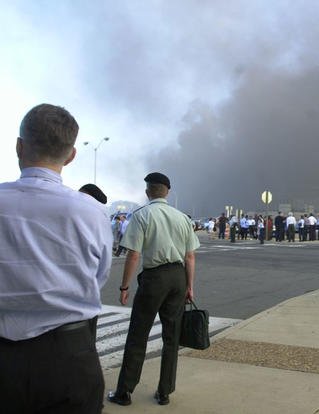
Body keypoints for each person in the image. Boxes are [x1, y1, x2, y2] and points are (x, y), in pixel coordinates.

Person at [0, 104, 113, 413]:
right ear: (72, 155)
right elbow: (98, 276)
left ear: (19, 146)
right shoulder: (91, 213)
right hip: (68, 359)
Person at [108, 172, 200, 407]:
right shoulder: (182, 218)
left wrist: (124, 286)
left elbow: (134, 254)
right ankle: (165, 391)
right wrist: (189, 286)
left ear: (148, 191)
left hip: (154, 278)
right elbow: (190, 256)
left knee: (138, 334)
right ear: (167, 192)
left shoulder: (142, 215)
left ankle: (124, 391)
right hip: (178, 277)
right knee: (172, 337)